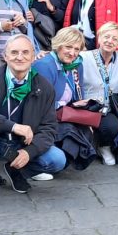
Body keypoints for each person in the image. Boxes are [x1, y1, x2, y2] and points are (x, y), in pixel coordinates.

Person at [0, 34, 66, 206]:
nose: (20, 57)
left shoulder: (44, 87)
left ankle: (18, 169)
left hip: (21, 145)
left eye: (25, 52)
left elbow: (49, 128)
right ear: (5, 56)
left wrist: (29, 152)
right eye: (14, 52)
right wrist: (13, 126)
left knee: (57, 159)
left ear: (33, 57)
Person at [32, 26, 96, 169]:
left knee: (86, 130)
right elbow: (40, 104)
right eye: (68, 47)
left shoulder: (77, 64)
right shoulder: (44, 65)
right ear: (59, 45)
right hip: (45, 118)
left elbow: (78, 95)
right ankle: (41, 164)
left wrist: (83, 112)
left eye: (77, 49)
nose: (72, 53)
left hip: (65, 114)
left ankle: (59, 163)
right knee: (70, 132)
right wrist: (63, 108)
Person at [80, 22, 118, 165]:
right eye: (106, 37)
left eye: (115, 39)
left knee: (112, 127)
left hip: (106, 109)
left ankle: (104, 146)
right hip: (86, 107)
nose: (110, 41)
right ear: (99, 38)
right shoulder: (84, 57)